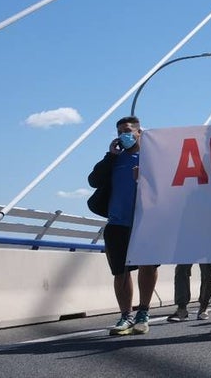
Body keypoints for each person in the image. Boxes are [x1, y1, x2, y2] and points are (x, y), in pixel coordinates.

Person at [89, 117, 159, 336]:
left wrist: (145, 178)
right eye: (120, 132)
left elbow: (167, 185)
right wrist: (110, 155)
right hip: (117, 222)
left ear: (140, 133)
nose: (123, 135)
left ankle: (143, 313)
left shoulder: (152, 159)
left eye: (128, 131)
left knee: (148, 267)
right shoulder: (114, 159)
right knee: (121, 272)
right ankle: (125, 315)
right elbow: (94, 180)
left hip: (146, 222)